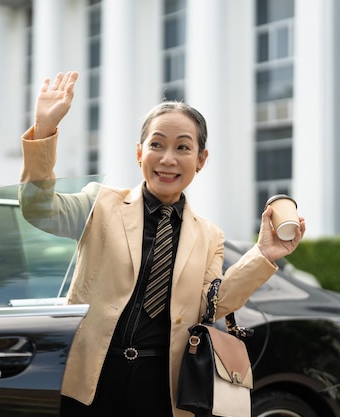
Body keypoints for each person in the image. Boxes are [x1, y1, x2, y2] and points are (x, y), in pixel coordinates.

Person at [18, 71, 306, 417]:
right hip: (92, 379)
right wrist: (45, 129)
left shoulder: (209, 235)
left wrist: (263, 254)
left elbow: (210, 306)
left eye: (183, 147)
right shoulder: (100, 204)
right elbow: (39, 209)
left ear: (201, 159)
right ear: (140, 153)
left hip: (163, 386)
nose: (168, 159)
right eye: (156, 144)